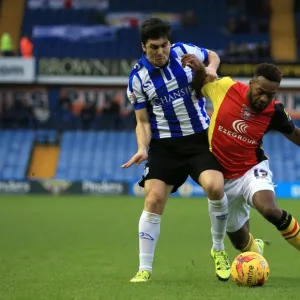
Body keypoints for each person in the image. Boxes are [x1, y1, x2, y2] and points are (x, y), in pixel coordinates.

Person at [121, 17, 231, 283]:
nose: (160, 52)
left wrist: (211, 69)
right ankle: (144, 269)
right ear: (143, 47)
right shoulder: (138, 77)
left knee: (215, 187)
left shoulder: (183, 51)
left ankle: (218, 250)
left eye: (164, 45)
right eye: (153, 48)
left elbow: (213, 55)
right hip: (165, 147)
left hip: (199, 140)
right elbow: (142, 121)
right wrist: (141, 147)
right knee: (153, 199)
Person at [183, 55, 300, 256]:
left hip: (251, 169)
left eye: (270, 95)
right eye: (260, 92)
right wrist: (200, 70)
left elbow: (295, 134)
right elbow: (199, 87)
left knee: (270, 209)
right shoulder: (226, 87)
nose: (264, 99)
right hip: (221, 178)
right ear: (251, 84)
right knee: (240, 242)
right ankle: (257, 253)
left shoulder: (274, 112)